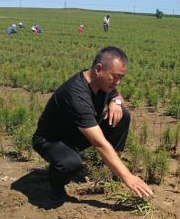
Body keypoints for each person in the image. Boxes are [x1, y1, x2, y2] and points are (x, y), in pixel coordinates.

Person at [32, 46, 153, 201]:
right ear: (98, 69)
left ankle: (108, 168)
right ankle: (55, 183)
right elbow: (98, 143)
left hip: (76, 134)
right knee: (71, 163)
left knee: (122, 115)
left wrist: (115, 101)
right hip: (51, 140)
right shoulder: (76, 94)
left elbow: (117, 95)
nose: (118, 82)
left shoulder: (101, 82)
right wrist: (127, 176)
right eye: (115, 77)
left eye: (121, 77)